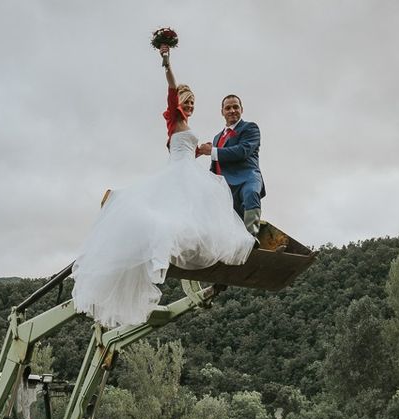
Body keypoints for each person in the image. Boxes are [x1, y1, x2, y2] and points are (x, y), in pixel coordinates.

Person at [71, 45, 255, 328]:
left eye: (193, 102)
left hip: (188, 170)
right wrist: (167, 61)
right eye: (187, 101)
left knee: (194, 217)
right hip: (178, 173)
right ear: (179, 102)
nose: (191, 105)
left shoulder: (186, 126)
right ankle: (159, 252)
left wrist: (207, 154)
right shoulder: (175, 117)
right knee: (169, 219)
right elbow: (170, 88)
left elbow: (194, 153)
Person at [205, 94, 266, 236]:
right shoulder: (217, 138)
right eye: (228, 108)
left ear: (241, 109)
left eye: (235, 107)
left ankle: (252, 236)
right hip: (225, 187)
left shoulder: (250, 128)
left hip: (247, 178)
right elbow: (215, 164)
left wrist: (213, 151)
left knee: (251, 194)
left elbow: (242, 151)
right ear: (222, 112)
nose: (232, 110)